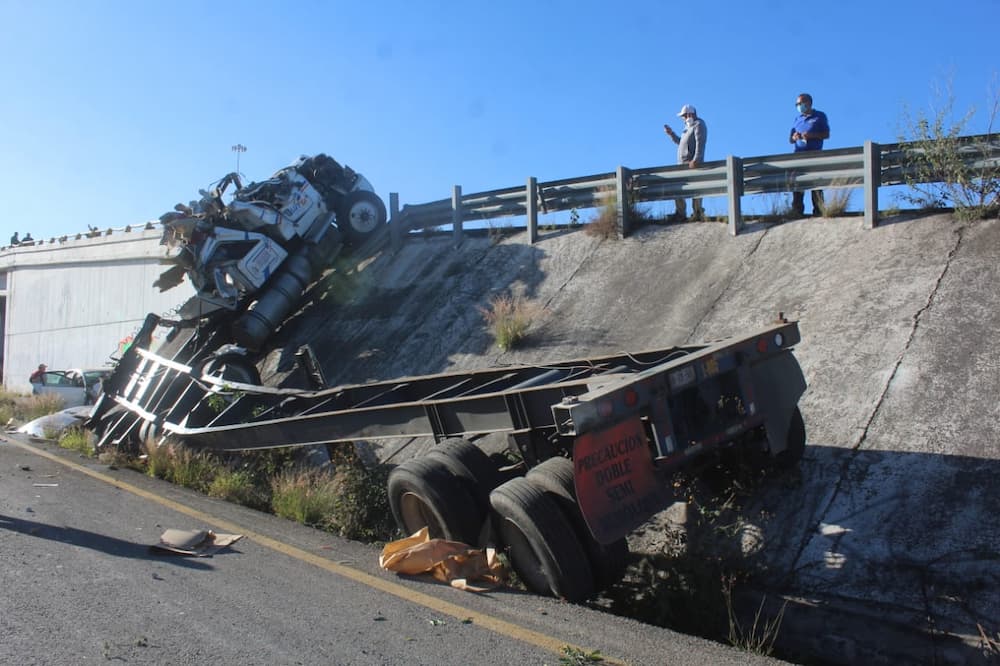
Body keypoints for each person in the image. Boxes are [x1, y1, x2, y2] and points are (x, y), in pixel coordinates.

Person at [663, 104, 707, 222]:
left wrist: (696, 159)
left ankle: (697, 213)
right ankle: (680, 213)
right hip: (682, 165)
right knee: (678, 188)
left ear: (689, 114)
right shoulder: (686, 128)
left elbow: (700, 143)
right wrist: (671, 134)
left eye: (683, 116)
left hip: (692, 163)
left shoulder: (699, 125)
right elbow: (681, 142)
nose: (682, 118)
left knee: (696, 189)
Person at [789, 93, 830, 216]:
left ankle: (818, 210)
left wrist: (811, 136)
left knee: (816, 183)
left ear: (809, 103)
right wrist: (794, 137)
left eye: (800, 103)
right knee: (797, 184)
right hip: (798, 156)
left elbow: (826, 134)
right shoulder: (797, 119)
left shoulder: (819, 116)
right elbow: (790, 139)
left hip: (814, 155)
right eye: (797, 104)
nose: (799, 106)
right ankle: (797, 210)